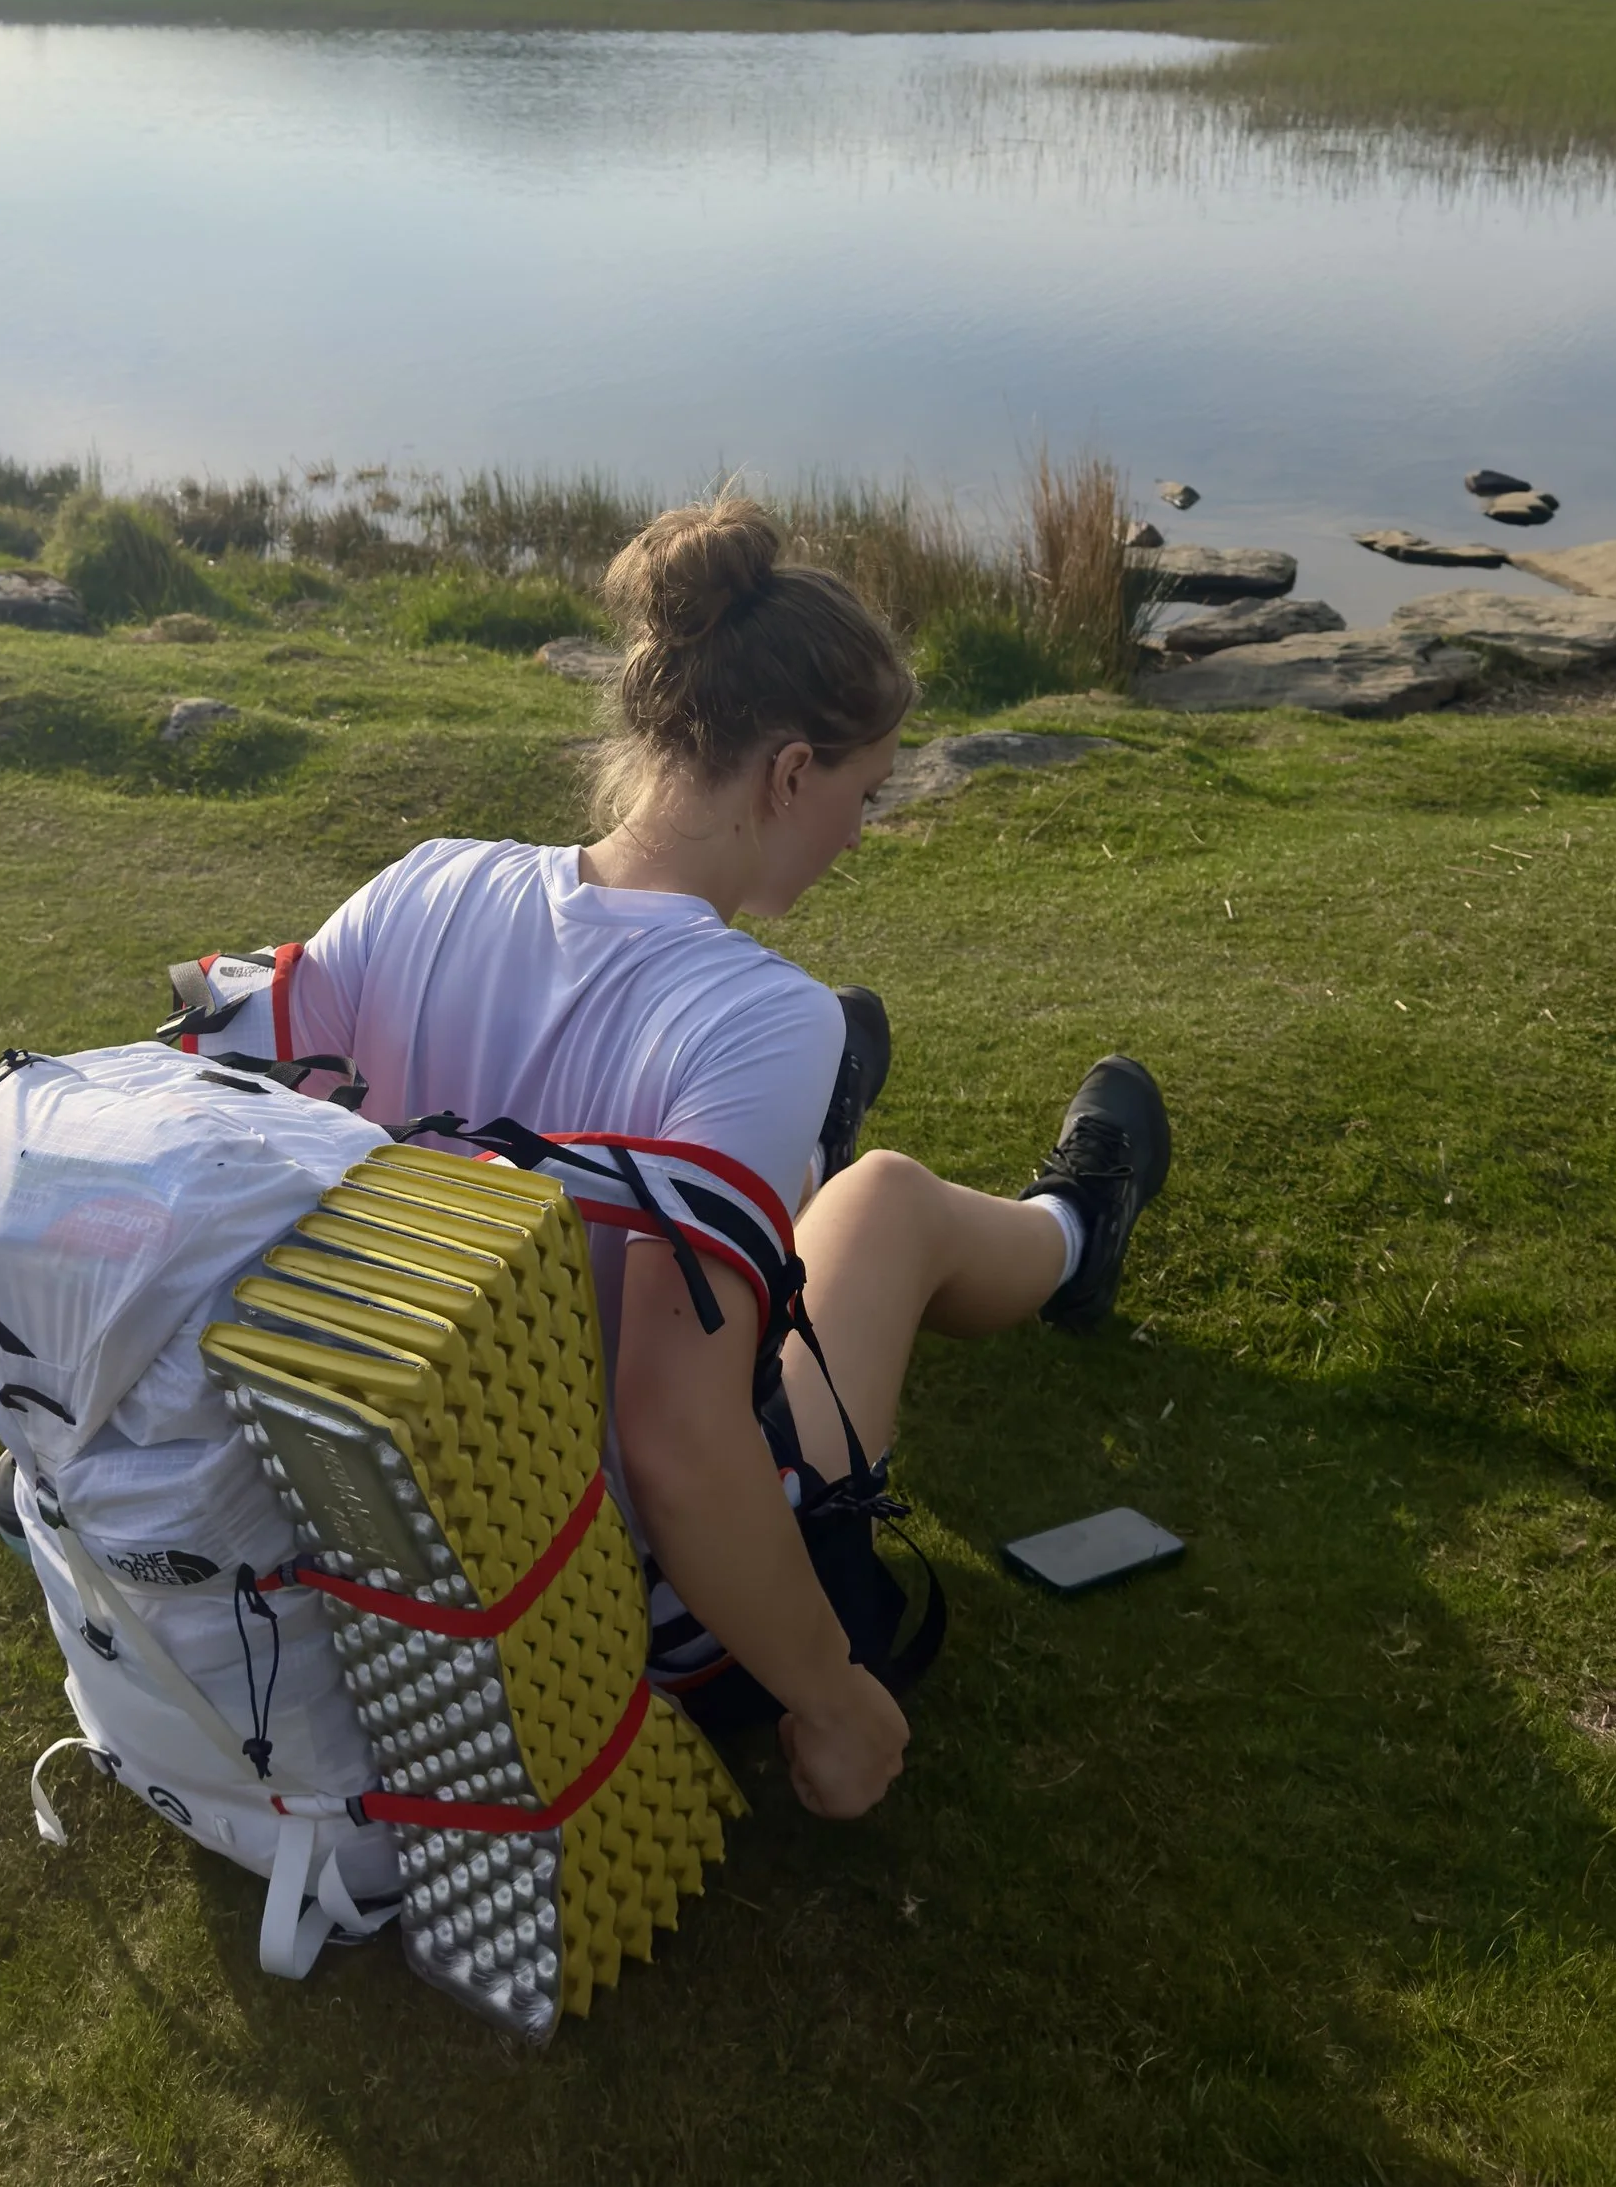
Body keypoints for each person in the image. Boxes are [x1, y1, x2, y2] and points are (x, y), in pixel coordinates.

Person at [280, 496, 1170, 1825]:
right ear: (790, 772)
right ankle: (1071, 1231)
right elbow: (677, 1441)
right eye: (864, 794)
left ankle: (783, 1154)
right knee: (885, 1208)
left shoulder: (422, 884)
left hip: (358, 1549)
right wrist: (835, 1697)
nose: (861, 833)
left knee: (769, 1159)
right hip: (601, 1619)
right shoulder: (760, 1011)